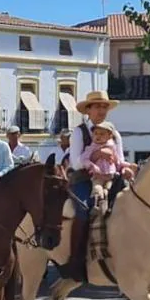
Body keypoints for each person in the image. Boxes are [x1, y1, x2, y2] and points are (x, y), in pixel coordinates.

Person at [61, 90, 136, 281]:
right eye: (97, 106)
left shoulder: (115, 134)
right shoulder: (79, 132)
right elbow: (76, 162)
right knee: (84, 209)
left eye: (104, 106)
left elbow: (119, 160)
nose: (102, 110)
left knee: (133, 206)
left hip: (112, 177)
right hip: (84, 178)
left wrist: (126, 169)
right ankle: (76, 260)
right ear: (88, 110)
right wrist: (96, 155)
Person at [80, 121, 131, 211]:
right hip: (98, 177)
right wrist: (92, 166)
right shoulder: (92, 147)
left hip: (110, 177)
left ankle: (106, 209)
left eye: (102, 134)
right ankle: (95, 210)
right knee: (97, 189)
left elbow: (117, 161)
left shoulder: (112, 147)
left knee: (108, 191)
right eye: (96, 133)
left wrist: (127, 166)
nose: (98, 136)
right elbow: (84, 159)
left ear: (109, 136)